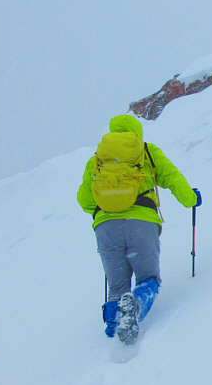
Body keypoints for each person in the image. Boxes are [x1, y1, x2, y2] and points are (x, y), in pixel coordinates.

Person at [77, 114, 201, 343]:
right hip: (141, 224)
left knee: (117, 287)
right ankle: (134, 308)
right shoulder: (147, 152)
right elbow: (172, 178)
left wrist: (109, 208)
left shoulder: (97, 160)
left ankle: (114, 332)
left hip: (106, 228)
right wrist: (191, 199)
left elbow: (84, 200)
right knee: (148, 279)